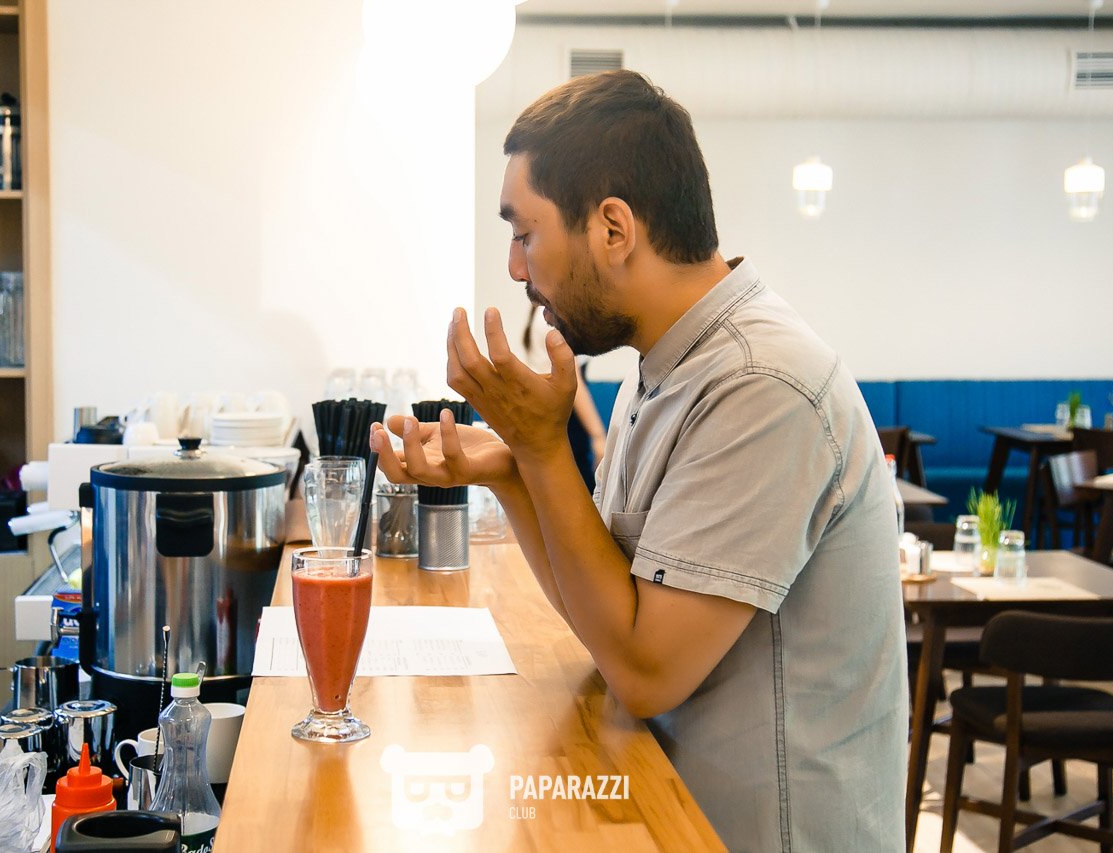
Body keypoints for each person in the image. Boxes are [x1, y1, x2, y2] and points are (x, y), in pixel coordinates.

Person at [370, 70, 906, 852]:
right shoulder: (659, 369)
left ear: (613, 229)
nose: (515, 268)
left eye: (525, 233)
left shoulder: (762, 384)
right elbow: (605, 617)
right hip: (665, 810)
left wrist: (542, 446)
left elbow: (646, 671)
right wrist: (513, 468)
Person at [521, 303, 606, 491]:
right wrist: (598, 436)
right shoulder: (550, 318)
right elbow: (574, 382)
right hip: (562, 416)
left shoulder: (540, 315)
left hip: (549, 412)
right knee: (576, 489)